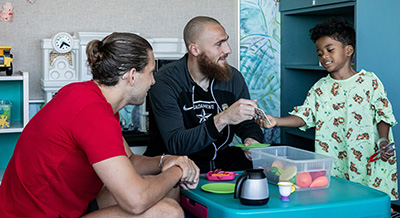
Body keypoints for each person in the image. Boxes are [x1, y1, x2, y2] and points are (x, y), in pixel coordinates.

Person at [0, 32, 200, 217]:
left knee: (166, 186)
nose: (153, 81)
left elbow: (128, 161)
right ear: (132, 75)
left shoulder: (86, 96)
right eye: (150, 72)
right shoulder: (93, 114)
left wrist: (166, 161)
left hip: (65, 206)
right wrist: (178, 171)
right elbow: (136, 202)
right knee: (168, 211)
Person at [257, 17, 398, 200]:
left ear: (348, 50)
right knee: (339, 200)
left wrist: (383, 142)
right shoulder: (320, 88)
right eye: (319, 53)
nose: (324, 57)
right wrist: (276, 121)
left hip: (368, 158)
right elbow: (304, 116)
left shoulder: (370, 82)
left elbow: (383, 114)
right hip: (336, 161)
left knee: (370, 202)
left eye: (329, 50)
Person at [144, 16, 264, 173]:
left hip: (219, 159)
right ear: (195, 49)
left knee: (275, 163)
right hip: (175, 162)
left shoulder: (233, 77)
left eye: (226, 41)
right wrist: (224, 118)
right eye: (219, 44)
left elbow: (247, 124)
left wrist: (251, 140)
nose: (228, 50)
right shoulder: (165, 82)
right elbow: (176, 144)